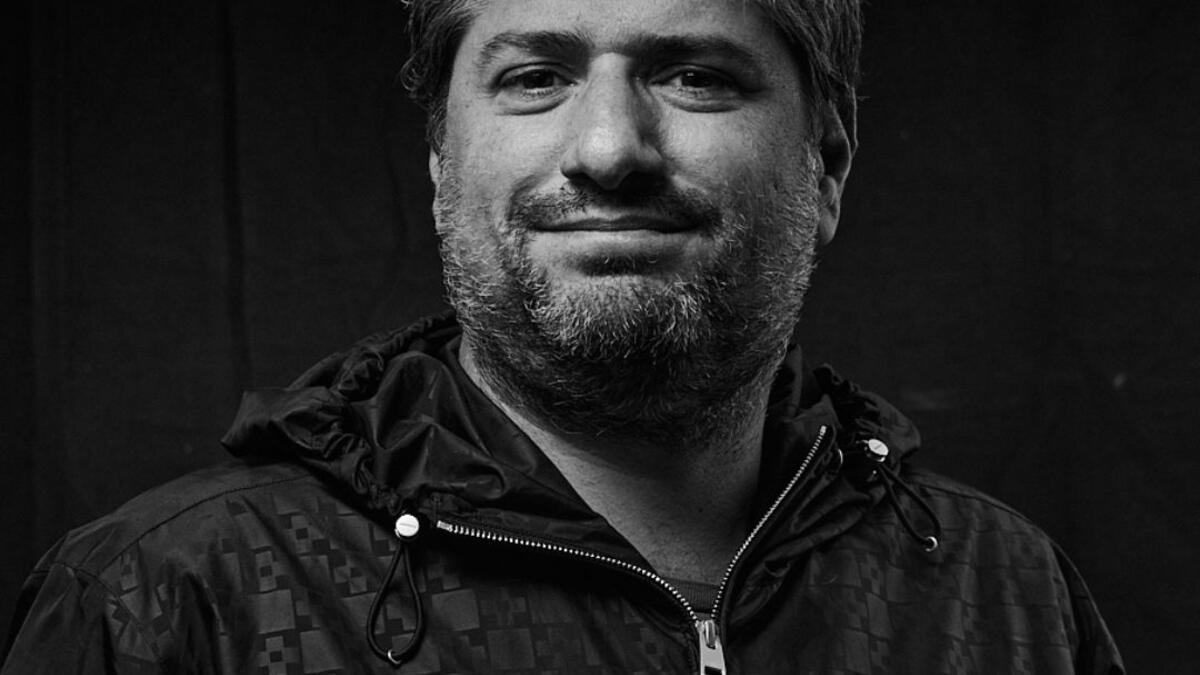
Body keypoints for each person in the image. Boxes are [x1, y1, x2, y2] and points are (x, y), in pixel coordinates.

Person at [3, 0, 1123, 672]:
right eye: (535, 77)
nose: (608, 149)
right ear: (441, 164)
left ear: (826, 162)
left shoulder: (1006, 594)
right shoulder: (165, 600)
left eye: (695, 76)